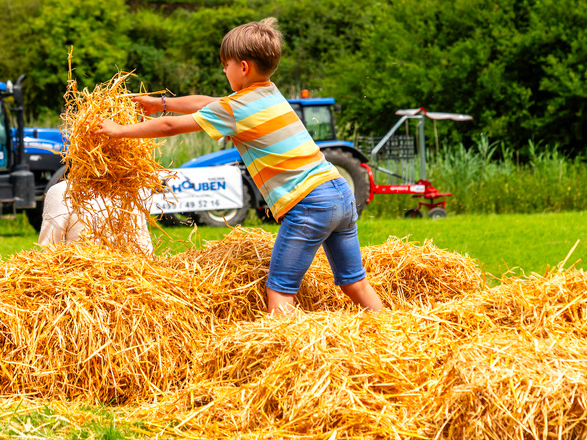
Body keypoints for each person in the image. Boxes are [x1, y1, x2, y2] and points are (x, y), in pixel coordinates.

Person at [94, 18, 383, 315]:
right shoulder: (268, 92)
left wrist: (118, 130)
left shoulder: (237, 108)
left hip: (308, 204)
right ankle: (386, 328)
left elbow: (170, 128)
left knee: (280, 292)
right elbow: (207, 103)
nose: (223, 69)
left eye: (226, 64)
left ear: (243, 67)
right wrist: (163, 103)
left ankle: (297, 356)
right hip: (339, 193)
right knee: (355, 283)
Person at [37, 179, 153, 253]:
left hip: (129, 284)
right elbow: (50, 251)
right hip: (79, 285)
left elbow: (144, 248)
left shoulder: (134, 191)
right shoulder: (63, 191)